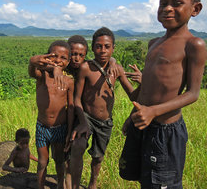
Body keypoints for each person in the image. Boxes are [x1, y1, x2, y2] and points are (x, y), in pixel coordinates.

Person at [119, 0, 207, 189]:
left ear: (195, 9)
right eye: (163, 3)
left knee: (163, 183)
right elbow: (146, 89)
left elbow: (192, 94)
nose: (167, 8)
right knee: (144, 179)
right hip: (143, 123)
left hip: (165, 131)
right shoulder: (153, 43)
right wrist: (133, 117)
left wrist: (154, 112)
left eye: (177, 3)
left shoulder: (193, 44)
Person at [70, 27, 139, 189]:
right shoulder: (86, 68)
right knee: (78, 147)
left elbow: (133, 96)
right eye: (98, 46)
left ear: (113, 48)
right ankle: (74, 185)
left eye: (107, 46)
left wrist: (141, 83)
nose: (102, 50)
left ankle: (92, 185)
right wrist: (82, 122)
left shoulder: (118, 69)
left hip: (105, 121)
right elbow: (77, 98)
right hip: (86, 117)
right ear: (92, 48)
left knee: (98, 157)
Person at [28, 40, 74, 189]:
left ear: (68, 62)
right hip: (42, 128)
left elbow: (72, 108)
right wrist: (32, 60)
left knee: (59, 161)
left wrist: (69, 131)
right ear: (47, 57)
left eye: (63, 58)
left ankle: (60, 185)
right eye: (55, 56)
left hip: (60, 128)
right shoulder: (42, 76)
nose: (59, 61)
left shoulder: (69, 82)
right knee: (42, 162)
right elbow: (32, 69)